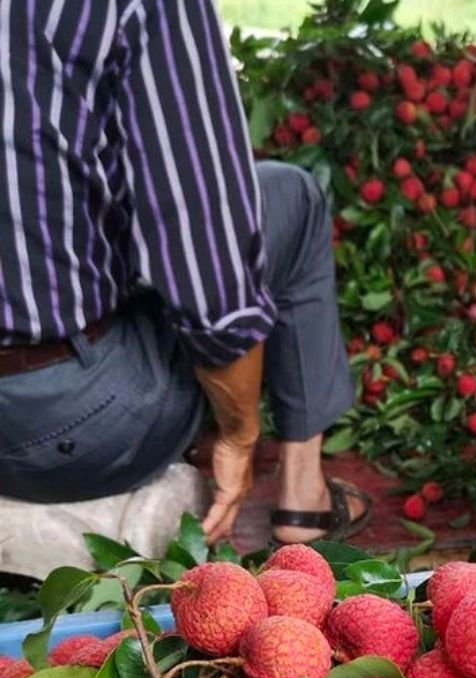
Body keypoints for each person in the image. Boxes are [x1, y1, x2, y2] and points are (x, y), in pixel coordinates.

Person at [0, 1, 369, 545]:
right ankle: (302, 499)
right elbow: (210, 274)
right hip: (70, 427)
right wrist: (239, 436)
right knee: (290, 195)